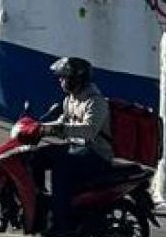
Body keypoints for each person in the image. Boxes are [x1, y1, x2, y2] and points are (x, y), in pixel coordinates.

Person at [37, 56, 112, 236]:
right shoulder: (70, 99)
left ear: (77, 79)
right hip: (76, 148)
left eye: (65, 77)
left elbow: (89, 130)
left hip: (96, 153)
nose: (61, 81)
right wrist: (40, 127)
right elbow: (62, 121)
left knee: (61, 167)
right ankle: (40, 206)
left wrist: (60, 129)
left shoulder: (95, 101)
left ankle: (60, 225)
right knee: (36, 156)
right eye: (60, 77)